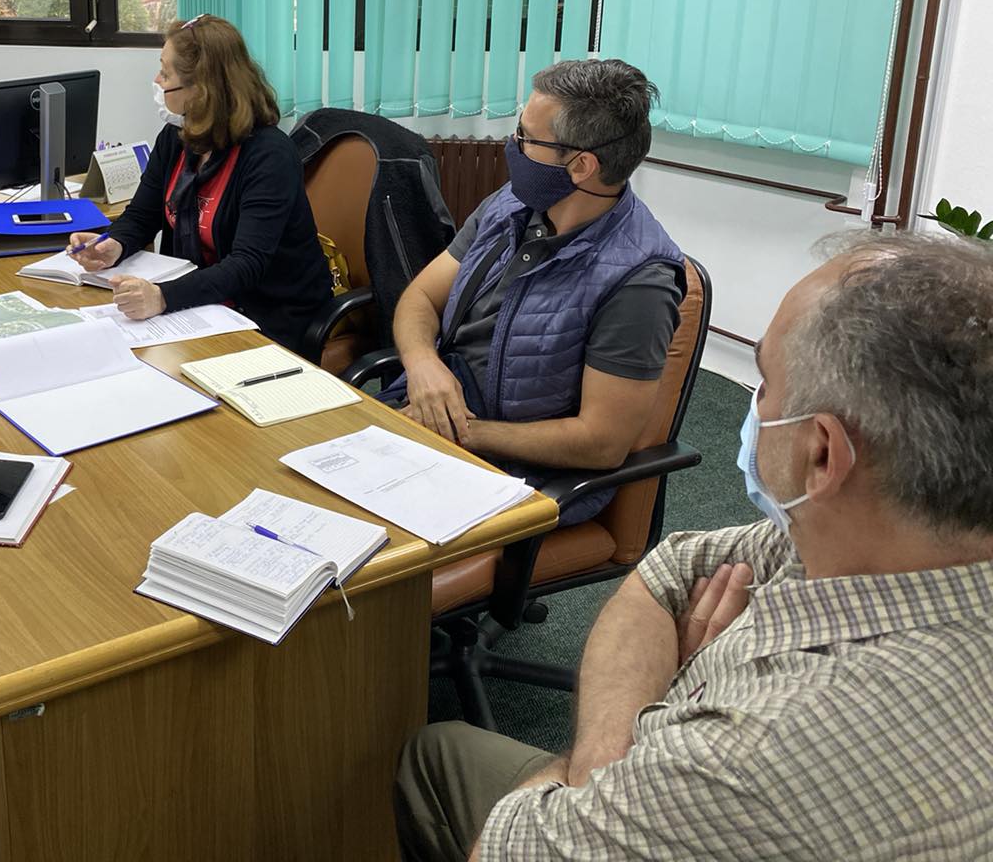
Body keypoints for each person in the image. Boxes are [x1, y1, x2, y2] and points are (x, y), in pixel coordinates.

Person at [394, 232, 993, 861]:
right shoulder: (880, 537)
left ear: (821, 454)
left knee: (429, 756)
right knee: (441, 749)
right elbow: (673, 568)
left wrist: (681, 697)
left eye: (765, 383)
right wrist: (611, 764)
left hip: (643, 798)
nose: (755, 406)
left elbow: (506, 850)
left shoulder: (752, 757)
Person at [383, 59, 683, 523]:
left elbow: (601, 443)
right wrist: (423, 364)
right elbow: (419, 298)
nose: (513, 145)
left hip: (517, 473)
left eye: (526, 137)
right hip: (434, 415)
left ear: (581, 165)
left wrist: (462, 430)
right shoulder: (511, 204)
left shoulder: (639, 281)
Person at [68, 14, 334, 357]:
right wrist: (114, 244)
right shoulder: (176, 138)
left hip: (267, 314)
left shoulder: (269, 155)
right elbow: (143, 215)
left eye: (166, 74)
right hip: (200, 305)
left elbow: (247, 263)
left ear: (201, 89)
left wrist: (163, 297)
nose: (157, 81)